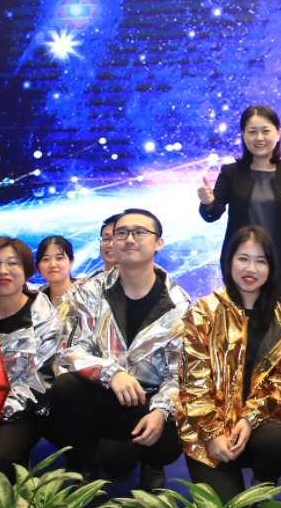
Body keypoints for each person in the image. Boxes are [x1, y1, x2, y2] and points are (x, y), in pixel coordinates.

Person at [49, 208, 190, 488]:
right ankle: (82, 464)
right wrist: (111, 373)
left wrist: (160, 412)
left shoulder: (178, 303)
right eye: (122, 233)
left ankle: (151, 463)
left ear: (158, 243)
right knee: (65, 388)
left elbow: (179, 373)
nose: (129, 239)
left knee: (165, 441)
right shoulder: (90, 291)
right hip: (103, 392)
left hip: (147, 400)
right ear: (112, 242)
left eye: (140, 232)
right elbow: (69, 350)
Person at [173, 226, 281, 503]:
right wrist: (212, 435)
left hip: (254, 427)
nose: (250, 269)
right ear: (228, 261)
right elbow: (193, 384)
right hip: (207, 434)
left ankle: (262, 482)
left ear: (271, 267)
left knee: (280, 439)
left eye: (260, 261)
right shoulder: (204, 312)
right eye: (243, 258)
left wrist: (249, 419)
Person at [0, 236, 63, 479]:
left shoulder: (44, 317)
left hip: (26, 407)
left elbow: (43, 379)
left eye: (12, 263)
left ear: (26, 271)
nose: (2, 271)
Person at [197, 105, 281, 298]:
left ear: (278, 134)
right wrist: (207, 202)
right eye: (252, 132)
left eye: (265, 131)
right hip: (241, 265)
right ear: (243, 136)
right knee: (240, 316)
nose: (259, 138)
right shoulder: (231, 173)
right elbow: (212, 213)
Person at [35, 235, 75, 308]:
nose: (52, 264)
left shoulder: (88, 294)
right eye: (46, 259)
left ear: (71, 262)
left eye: (59, 258)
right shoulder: (35, 301)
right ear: (38, 266)